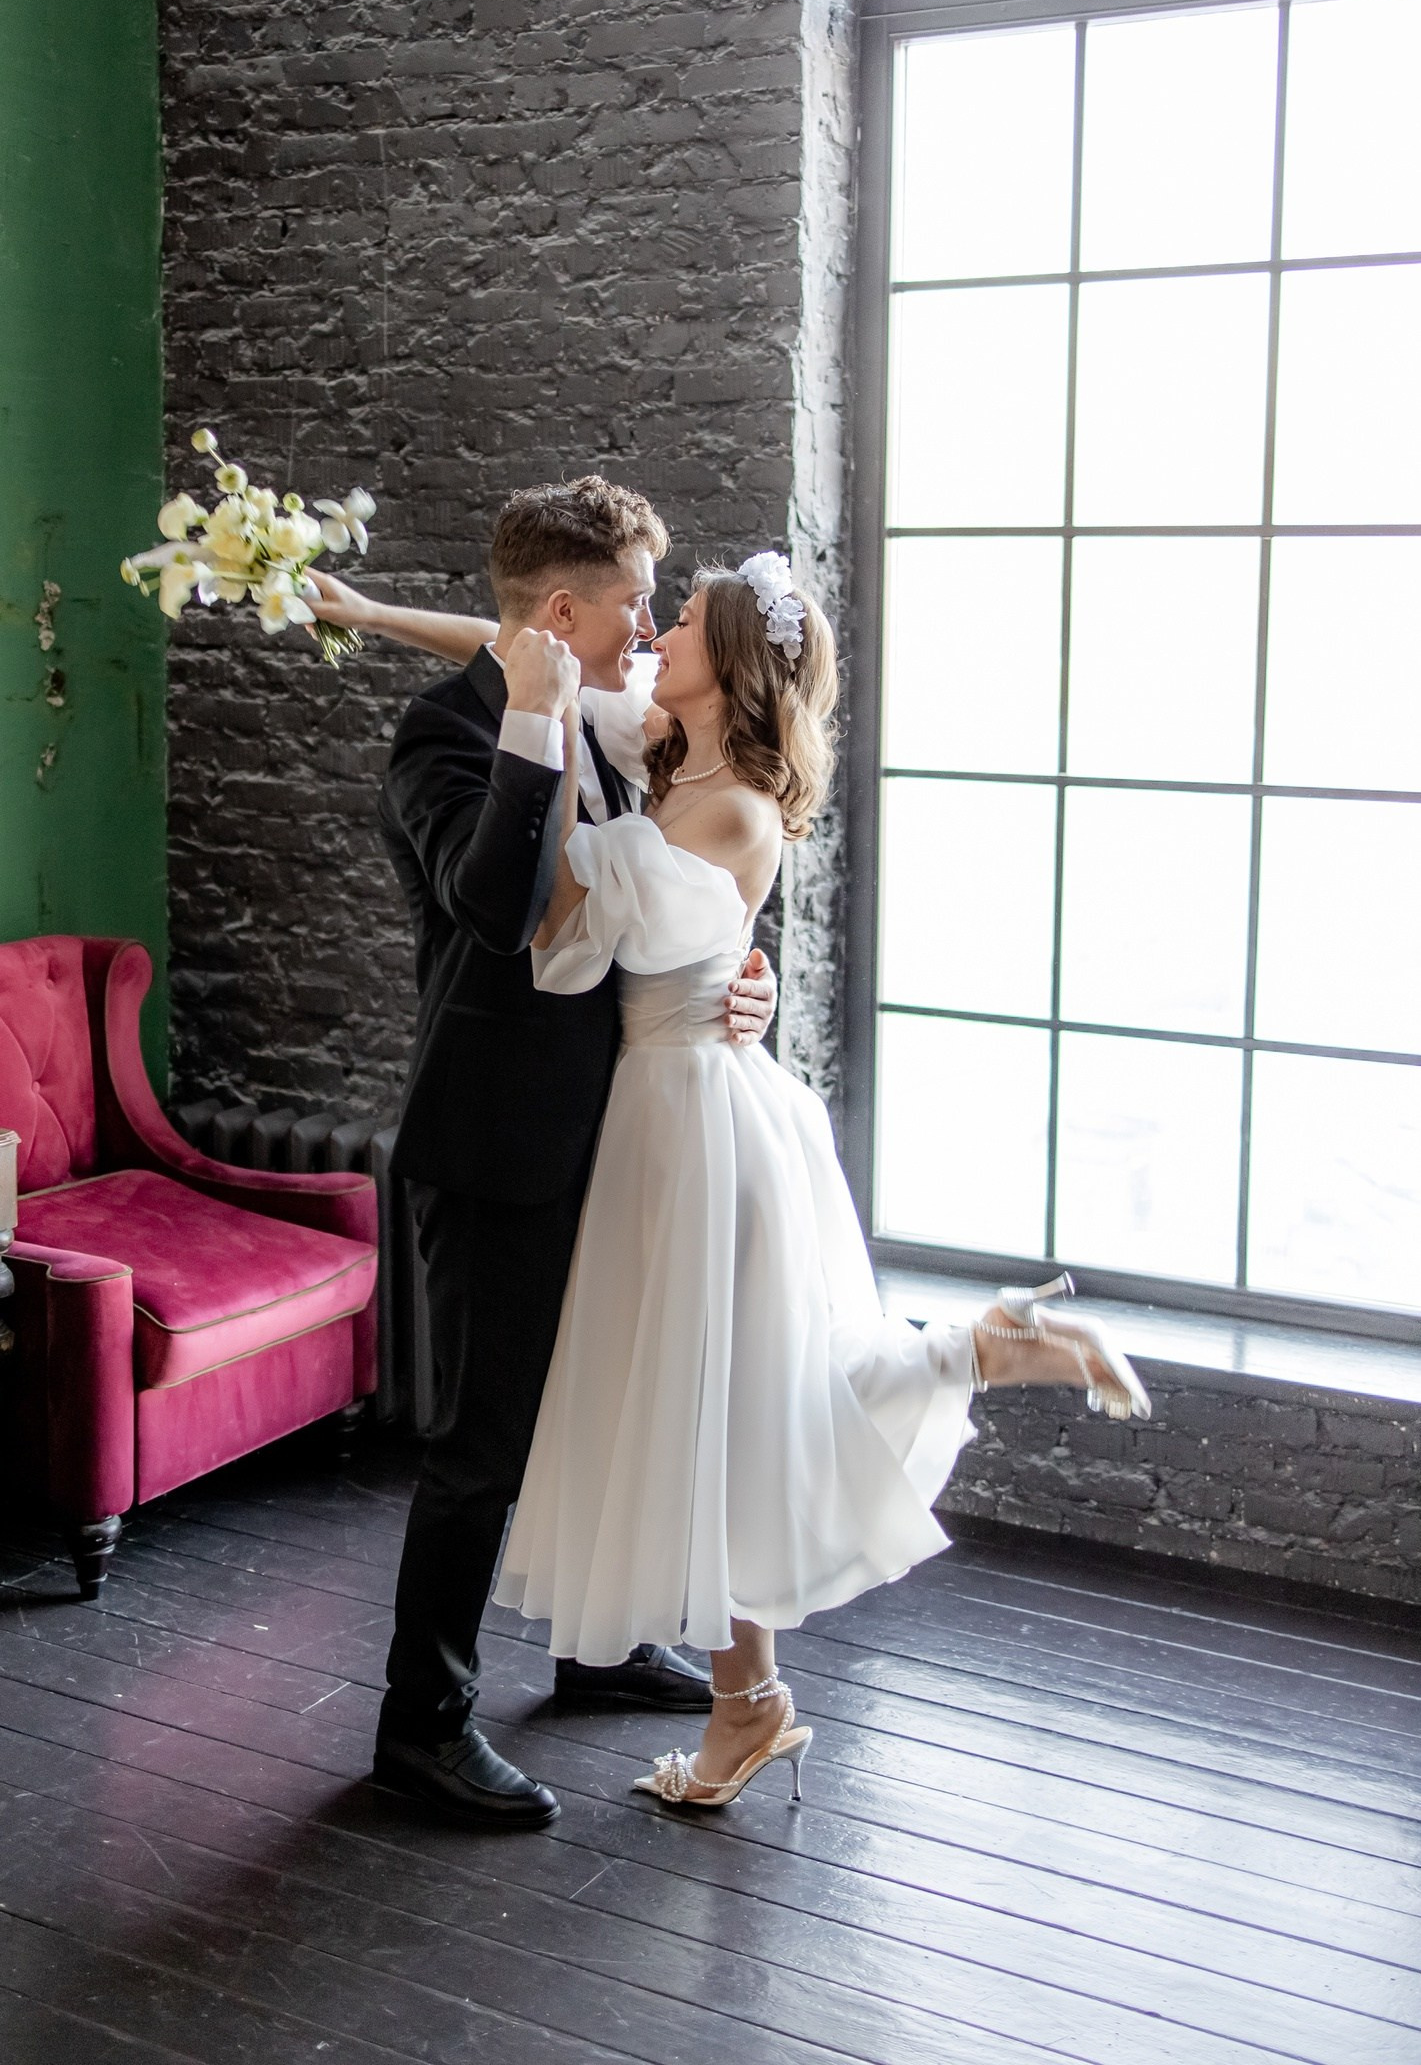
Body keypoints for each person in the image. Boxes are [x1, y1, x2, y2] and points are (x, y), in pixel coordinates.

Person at [482, 551, 1152, 1810]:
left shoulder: (730, 811)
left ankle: (986, 1349)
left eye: (683, 621)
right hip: (665, 1119)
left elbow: (567, 896)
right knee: (718, 1421)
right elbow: (521, 647)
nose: (658, 631)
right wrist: (372, 616)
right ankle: (747, 1706)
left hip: (698, 1131)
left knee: (748, 1410)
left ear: (729, 662)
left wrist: (545, 724)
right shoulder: (674, 753)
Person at [308, 479, 779, 1829]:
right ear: (566, 613)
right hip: (499, 1141)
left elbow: (677, 903)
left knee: (606, 1404)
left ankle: (596, 1644)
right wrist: (528, 714)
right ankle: (421, 1726)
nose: (651, 622)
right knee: (483, 1446)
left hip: (623, 1135)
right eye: (637, 599)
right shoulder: (443, 739)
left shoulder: (620, 711)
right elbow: (500, 908)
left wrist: (746, 987)